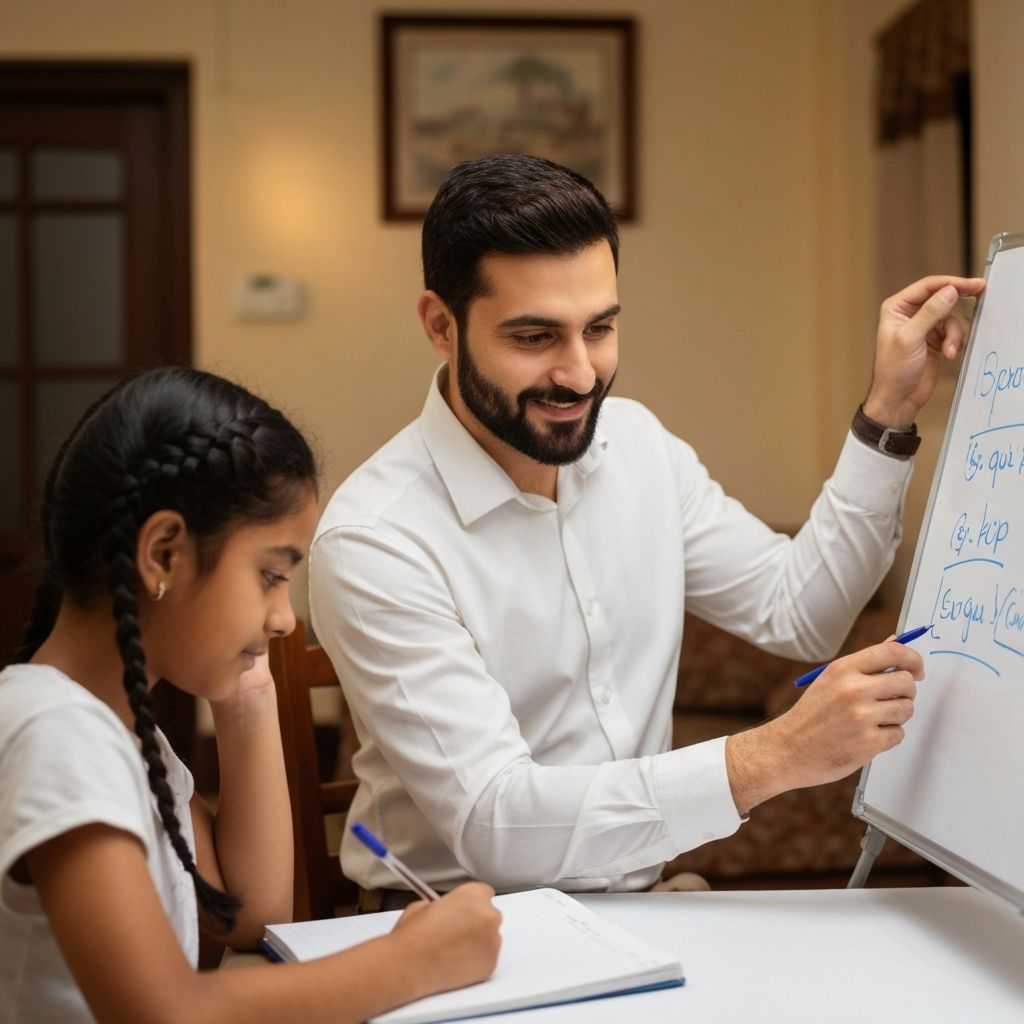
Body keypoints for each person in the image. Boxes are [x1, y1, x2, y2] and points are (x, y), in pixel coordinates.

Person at [309, 153, 985, 904]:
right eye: (534, 337)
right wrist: (773, 755)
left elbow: (802, 613)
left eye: (598, 328)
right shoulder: (376, 539)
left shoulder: (636, 446)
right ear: (442, 325)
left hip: (645, 913)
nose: (579, 374)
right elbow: (496, 823)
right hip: (450, 933)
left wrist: (889, 411)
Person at [0, 368, 501, 1023]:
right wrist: (415, 961)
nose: (285, 617)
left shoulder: (121, 734)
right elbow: (163, 1012)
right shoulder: (59, 736)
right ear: (163, 555)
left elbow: (251, 914)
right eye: (269, 575)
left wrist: (247, 686)